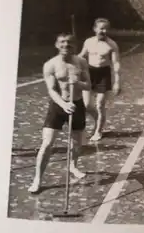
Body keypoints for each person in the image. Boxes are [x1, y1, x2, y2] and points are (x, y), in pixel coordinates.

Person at [28, 33, 92, 194]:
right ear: (57, 45)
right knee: (47, 144)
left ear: (74, 46)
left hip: (76, 105)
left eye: (69, 42)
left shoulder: (81, 62)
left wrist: (78, 83)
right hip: (58, 106)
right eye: (62, 42)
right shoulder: (50, 65)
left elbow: (89, 85)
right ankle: (37, 179)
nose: (66, 45)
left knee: (77, 143)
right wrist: (63, 104)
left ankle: (73, 166)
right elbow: (51, 90)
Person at [79, 18, 121, 142]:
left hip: (104, 74)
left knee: (100, 105)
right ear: (95, 29)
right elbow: (82, 56)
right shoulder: (88, 42)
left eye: (106, 28)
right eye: (101, 28)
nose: (104, 31)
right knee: (86, 105)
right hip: (89, 73)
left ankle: (98, 131)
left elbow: (116, 63)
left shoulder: (112, 44)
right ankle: (98, 120)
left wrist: (117, 82)